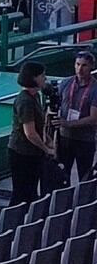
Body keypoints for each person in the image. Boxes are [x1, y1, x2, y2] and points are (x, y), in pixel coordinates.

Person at [8, 60, 55, 204]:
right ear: (33, 78)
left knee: (31, 190)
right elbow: (30, 133)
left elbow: (38, 126)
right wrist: (46, 149)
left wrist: (47, 138)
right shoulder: (25, 101)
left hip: (33, 153)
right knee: (22, 192)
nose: (44, 79)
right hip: (22, 153)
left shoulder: (36, 96)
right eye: (42, 76)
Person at [57, 51, 97, 183]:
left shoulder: (95, 89)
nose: (80, 69)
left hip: (85, 140)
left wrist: (68, 124)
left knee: (85, 176)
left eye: (84, 65)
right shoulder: (65, 83)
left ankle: (84, 202)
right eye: (77, 64)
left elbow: (93, 118)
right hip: (64, 138)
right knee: (62, 175)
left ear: (91, 66)